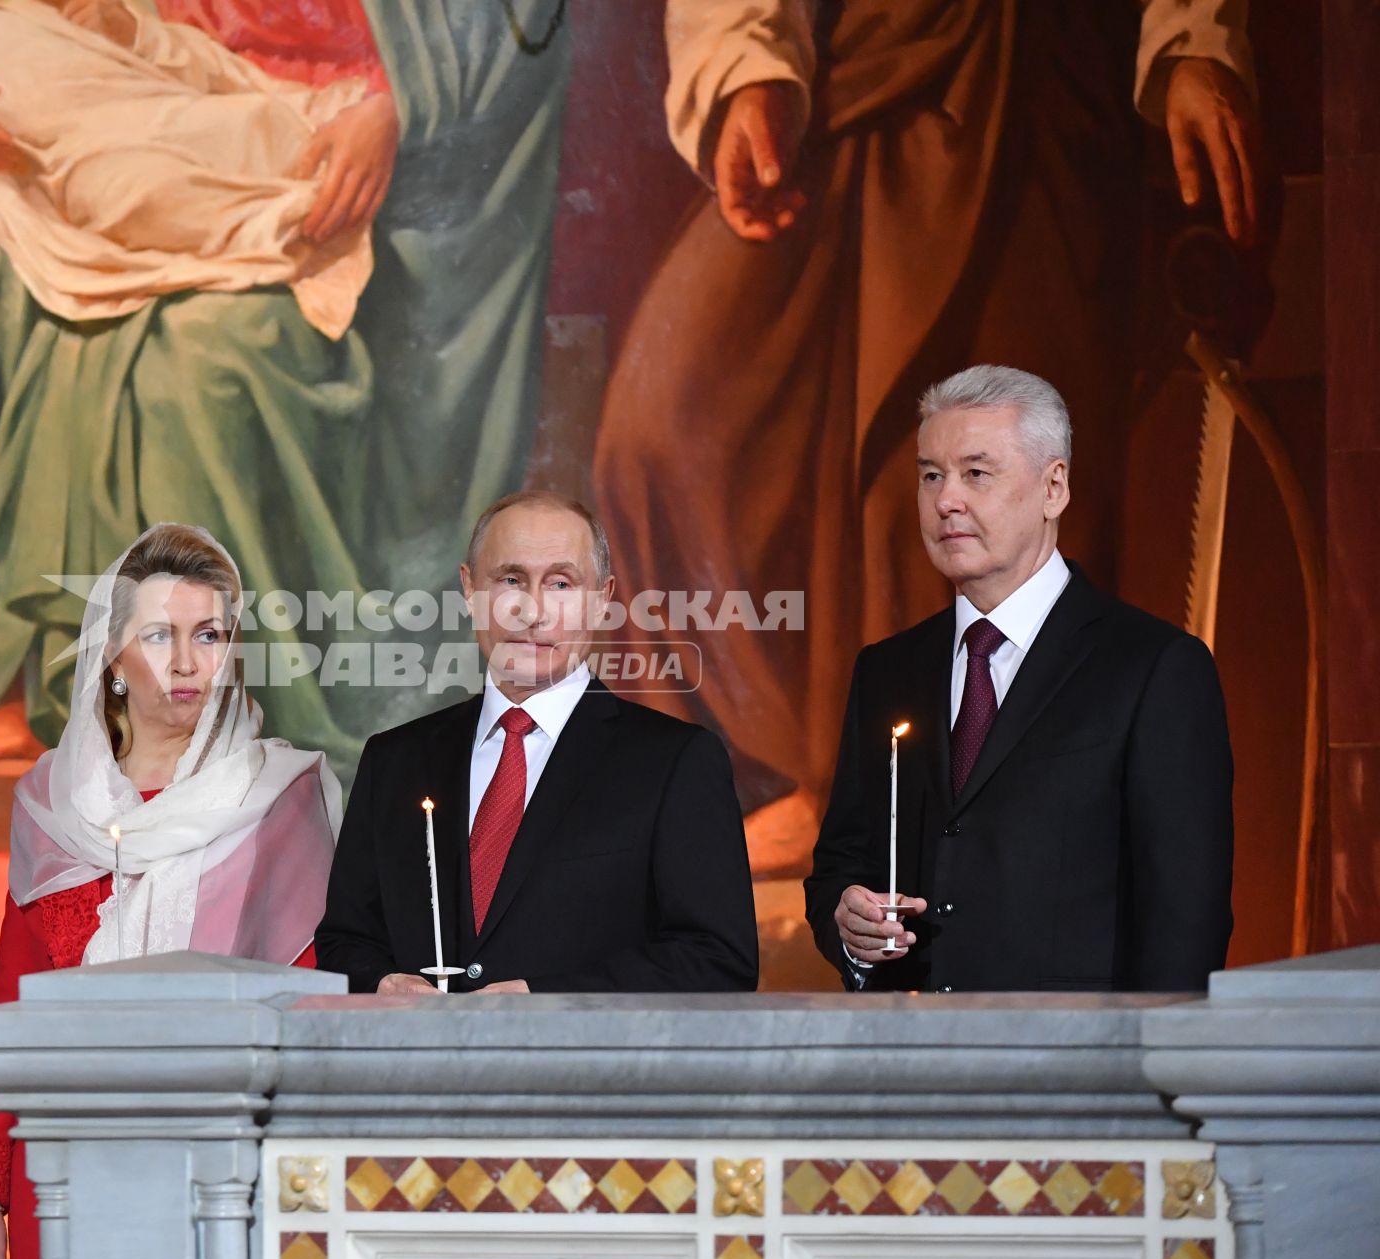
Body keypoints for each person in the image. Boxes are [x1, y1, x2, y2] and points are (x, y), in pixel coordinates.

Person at [590, 0, 1259, 870]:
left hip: (1032, 83)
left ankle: (935, 818)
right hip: (849, 78)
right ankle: (818, 784)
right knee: (659, 430)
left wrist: (1191, 44)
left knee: (961, 469)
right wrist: (746, 68)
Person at [0, 0, 574, 781]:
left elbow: (510, 34)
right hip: (123, 106)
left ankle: (182, 725)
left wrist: (398, 109)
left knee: (193, 368)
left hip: (323, 146)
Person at [0, 524, 339, 1259]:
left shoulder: (279, 801)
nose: (189, 662)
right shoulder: (47, 801)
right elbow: (11, 1012)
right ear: (113, 653)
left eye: (211, 635)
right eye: (160, 635)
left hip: (229, 1175)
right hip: (57, 1164)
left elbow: (315, 1014)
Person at [804, 367, 1234, 993]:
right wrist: (851, 929)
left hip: (1077, 1073)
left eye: (976, 473)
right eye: (931, 475)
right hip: (907, 1066)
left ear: (1053, 486)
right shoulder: (887, 671)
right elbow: (842, 860)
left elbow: (1185, 918)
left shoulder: (1154, 667)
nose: (946, 499)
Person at [315, 492, 758, 995]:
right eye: (510, 580)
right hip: (419, 1069)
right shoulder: (394, 762)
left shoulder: (676, 762)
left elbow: (719, 961)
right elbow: (345, 941)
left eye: (561, 583)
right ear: (469, 588)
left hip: (581, 1071)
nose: (533, 610)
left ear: (602, 598)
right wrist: (382, 983)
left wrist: (544, 1000)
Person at [0, 0, 376, 342]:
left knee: (125, 185)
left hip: (287, 117)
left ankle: (271, 208)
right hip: (109, 109)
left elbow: (432, 61)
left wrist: (388, 109)